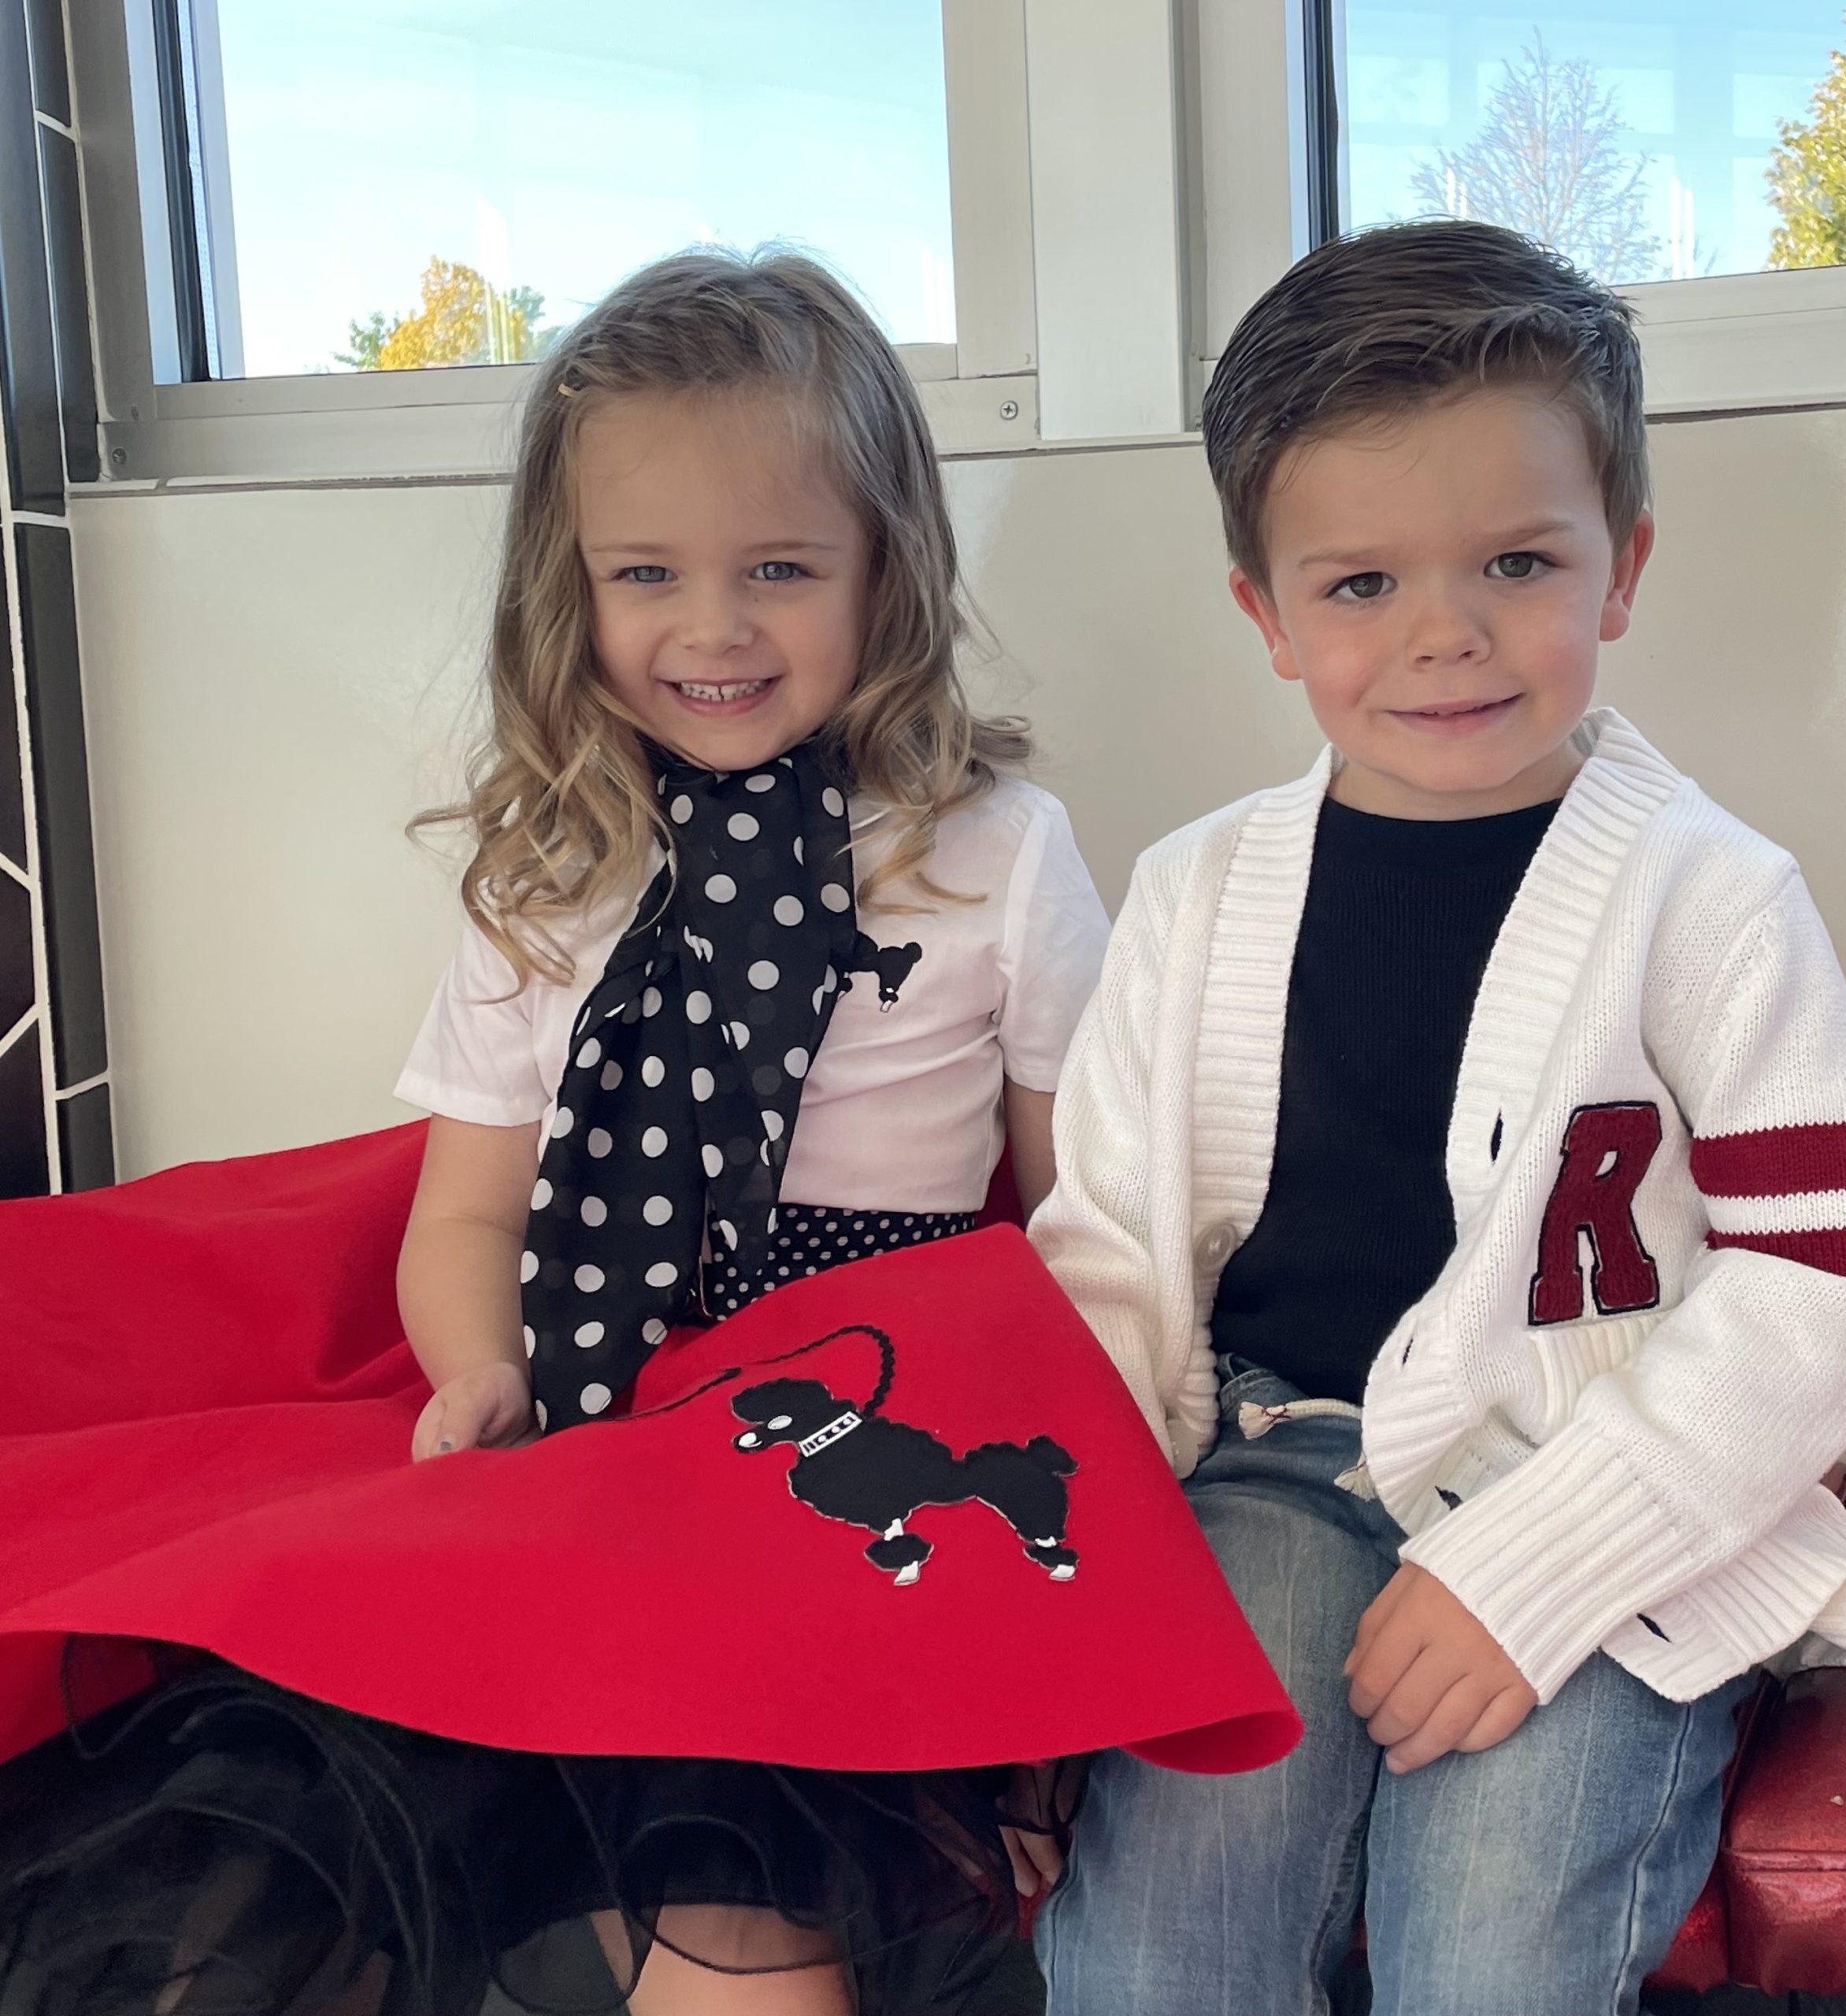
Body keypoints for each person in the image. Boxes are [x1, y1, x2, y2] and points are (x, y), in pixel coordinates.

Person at [0, 248, 1111, 2016]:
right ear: (567, 591)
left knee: (736, 1836)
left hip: (850, 1400)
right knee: (308, 1808)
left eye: (778, 569)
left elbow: (1080, 1219)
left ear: (882, 569)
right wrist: (475, 1377)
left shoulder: (992, 848)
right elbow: (463, 1222)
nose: (715, 627)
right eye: (645, 574)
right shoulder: (552, 873)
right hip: (599, 1402)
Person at [1029, 220, 1846, 2015]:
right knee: (1147, 1952)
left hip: (1596, 1478)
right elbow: (1105, 1261)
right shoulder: (1193, 894)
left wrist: (1541, 1564)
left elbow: (1825, 1277)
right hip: (1262, 1466)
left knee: (1492, 1947)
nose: (1442, 633)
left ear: (1619, 566)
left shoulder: (1709, 894)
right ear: (1263, 614)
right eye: (1357, 585)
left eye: (1513, 559)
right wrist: (1060, 1588)